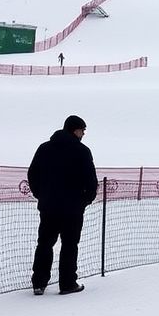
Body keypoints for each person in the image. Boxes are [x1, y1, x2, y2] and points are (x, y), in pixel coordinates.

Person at [27, 115, 99, 294]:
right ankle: (67, 283)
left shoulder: (44, 148)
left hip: (49, 206)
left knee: (44, 243)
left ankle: (39, 283)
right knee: (69, 245)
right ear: (75, 130)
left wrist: (41, 195)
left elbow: (32, 174)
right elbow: (91, 181)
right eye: (83, 130)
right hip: (73, 209)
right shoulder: (82, 151)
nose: (83, 134)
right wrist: (85, 200)